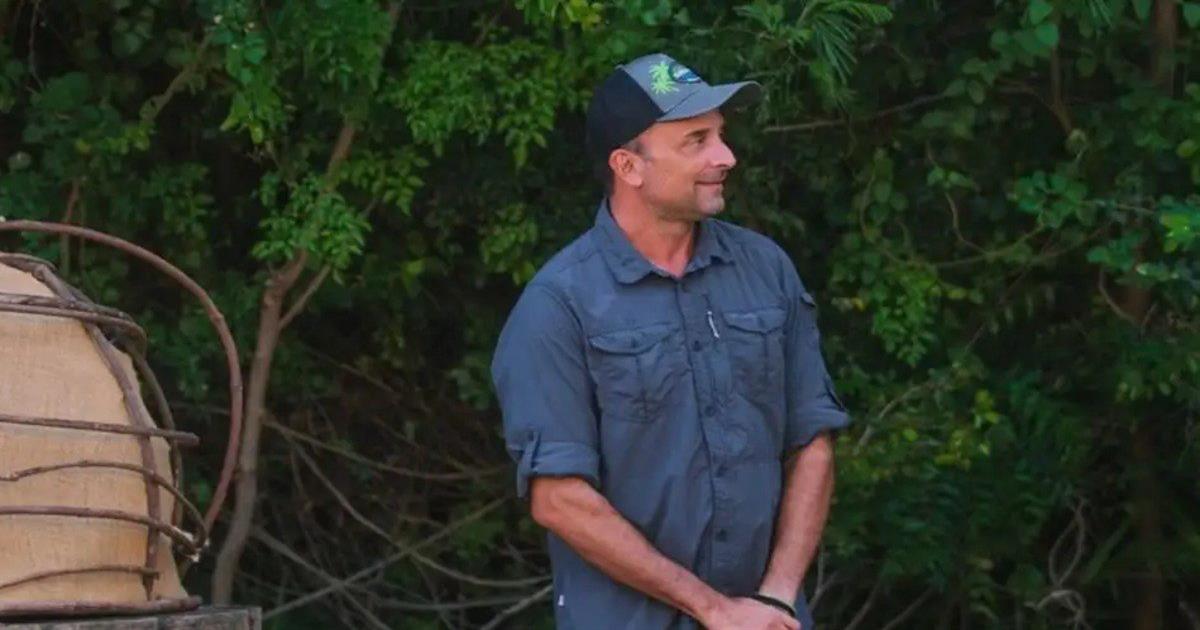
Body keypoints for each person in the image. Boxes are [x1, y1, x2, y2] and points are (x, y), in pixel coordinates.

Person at [490, 52, 850, 630]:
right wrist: (713, 610)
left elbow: (812, 440)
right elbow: (558, 498)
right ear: (628, 166)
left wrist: (778, 599)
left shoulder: (765, 270)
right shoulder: (559, 304)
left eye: (721, 136)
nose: (725, 157)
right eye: (696, 141)